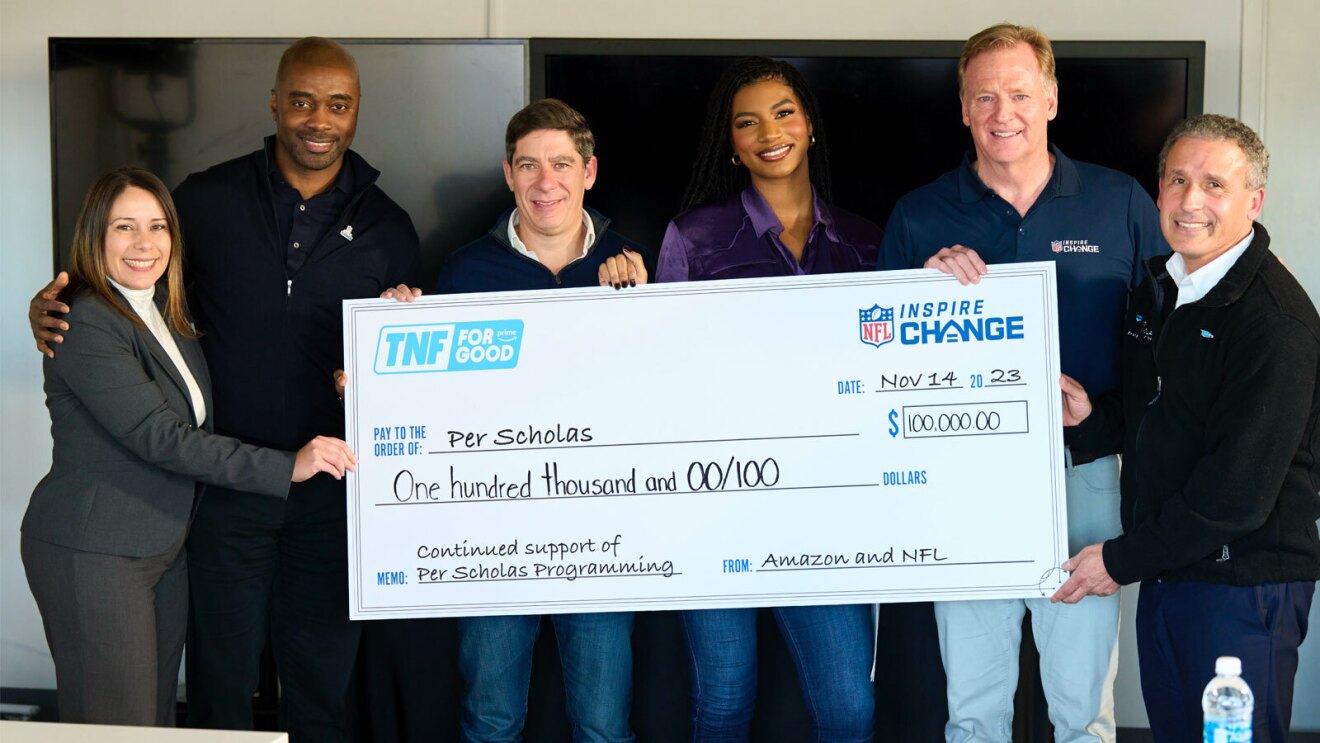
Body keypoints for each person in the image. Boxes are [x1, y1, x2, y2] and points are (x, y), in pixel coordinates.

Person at [28, 38, 421, 742]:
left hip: (334, 497)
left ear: (358, 110)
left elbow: (410, 360)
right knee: (218, 687)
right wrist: (56, 300)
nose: (319, 119)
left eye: (338, 104)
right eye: (301, 100)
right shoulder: (204, 201)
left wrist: (396, 340)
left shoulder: (390, 226)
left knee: (320, 688)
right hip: (218, 496)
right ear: (274, 104)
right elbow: (132, 287)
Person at [879, 23, 1167, 743]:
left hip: (1084, 474)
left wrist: (1102, 416)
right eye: (984, 96)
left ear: (1051, 100)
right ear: (963, 109)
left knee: (1083, 713)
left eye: (1019, 94)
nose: (1002, 112)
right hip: (963, 480)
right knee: (973, 711)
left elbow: (1168, 345)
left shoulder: (1121, 202)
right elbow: (876, 358)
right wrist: (918, 295)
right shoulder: (919, 215)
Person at [20, 167, 357, 728]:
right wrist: (288, 466)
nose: (144, 243)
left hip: (163, 545)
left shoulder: (164, 308)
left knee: (152, 722)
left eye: (157, 226)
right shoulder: (85, 321)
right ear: (94, 234)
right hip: (97, 549)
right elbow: (161, 437)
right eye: (124, 226)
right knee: (116, 725)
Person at [1052, 114, 1319, 743]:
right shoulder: (1161, 289)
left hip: (1241, 588)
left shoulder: (1274, 322)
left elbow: (1237, 494)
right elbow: (1156, 414)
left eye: (1214, 185)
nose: (1190, 200)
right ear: (1159, 192)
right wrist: (1089, 421)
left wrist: (1119, 560)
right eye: (1177, 180)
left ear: (1253, 202)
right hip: (1172, 572)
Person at [657, 57, 880, 742]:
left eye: (784, 113)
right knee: (724, 701)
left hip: (826, 508)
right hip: (718, 503)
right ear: (731, 144)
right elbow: (661, 372)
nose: (770, 133)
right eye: (747, 122)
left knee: (849, 709)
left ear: (809, 125)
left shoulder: (865, 242)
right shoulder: (693, 238)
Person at [435, 98, 646, 743]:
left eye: (561, 164)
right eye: (528, 165)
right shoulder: (464, 271)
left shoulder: (632, 267)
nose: (544, 181)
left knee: (603, 725)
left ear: (589, 172)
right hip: (494, 532)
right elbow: (437, 400)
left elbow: (661, 394)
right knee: (491, 720)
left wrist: (645, 306)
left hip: (602, 533)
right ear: (509, 175)